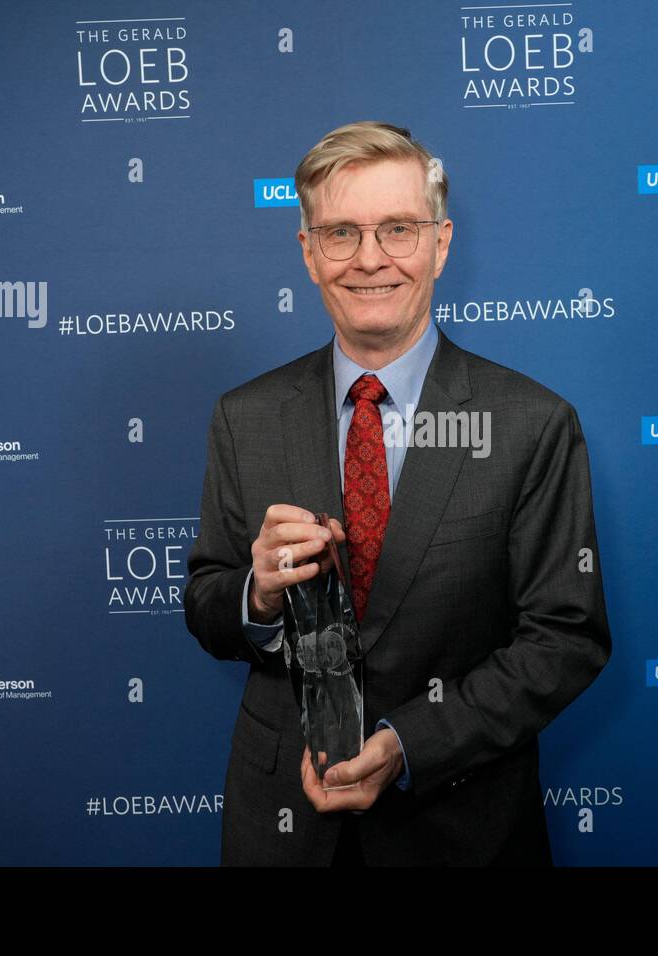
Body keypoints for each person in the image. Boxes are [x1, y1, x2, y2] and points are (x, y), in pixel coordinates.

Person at [184, 120, 611, 866]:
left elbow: (564, 639)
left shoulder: (530, 424)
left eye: (398, 229)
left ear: (441, 244)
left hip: (461, 828)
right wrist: (255, 594)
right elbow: (206, 602)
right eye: (341, 232)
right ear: (309, 254)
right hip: (281, 831)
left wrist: (409, 743)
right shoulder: (243, 417)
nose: (369, 259)